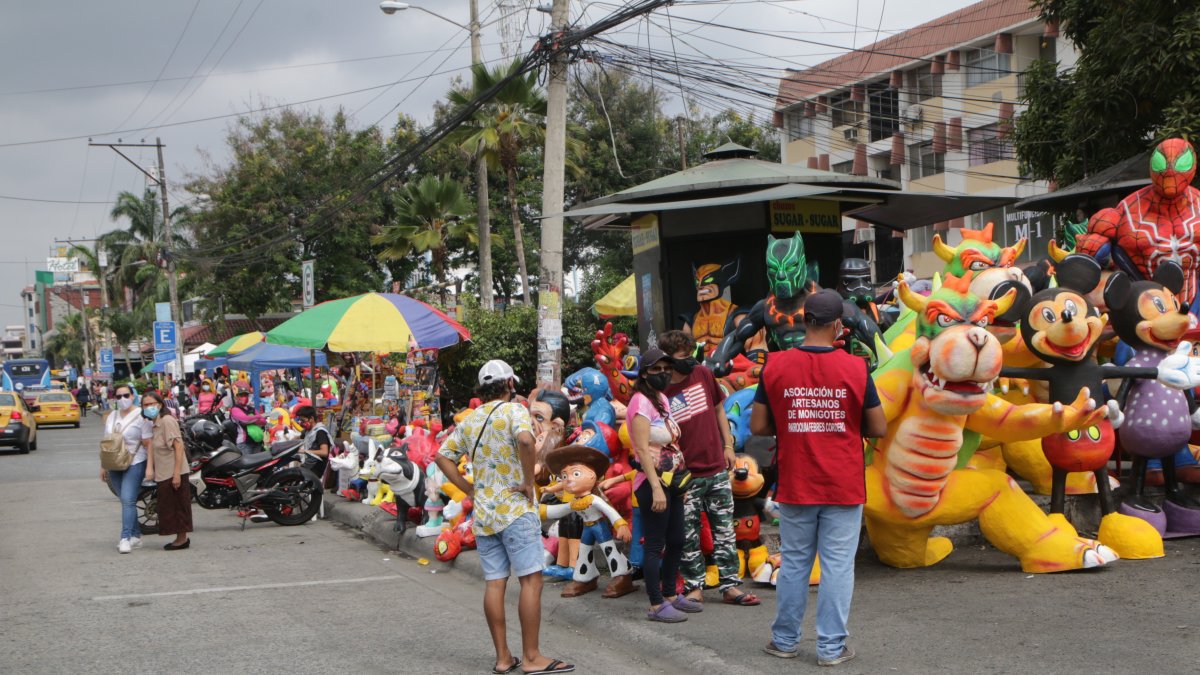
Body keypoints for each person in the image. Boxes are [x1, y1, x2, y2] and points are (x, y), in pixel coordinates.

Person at [751, 289, 887, 666]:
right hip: (843, 482)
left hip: (796, 482)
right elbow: (878, 427)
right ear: (839, 325)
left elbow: (758, 425)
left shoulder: (775, 365)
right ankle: (830, 648)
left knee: (794, 562)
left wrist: (794, 417)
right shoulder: (856, 368)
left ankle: (784, 641)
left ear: (803, 320)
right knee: (838, 566)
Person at [434, 360, 574, 675]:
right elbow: (526, 441)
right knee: (531, 580)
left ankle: (502, 658)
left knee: (495, 583)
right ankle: (532, 657)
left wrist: (468, 489)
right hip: (514, 509)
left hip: (484, 514)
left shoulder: (470, 421)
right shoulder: (514, 410)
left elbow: (442, 456)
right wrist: (527, 481)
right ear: (510, 384)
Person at [657, 329, 758, 607]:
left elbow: (719, 412)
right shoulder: (661, 389)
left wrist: (728, 446)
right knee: (688, 535)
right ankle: (694, 587)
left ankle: (731, 586)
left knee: (724, 530)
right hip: (684, 474)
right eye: (682, 356)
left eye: (691, 354)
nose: (689, 360)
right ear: (668, 359)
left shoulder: (702, 374)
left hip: (715, 466)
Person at [625, 348, 693, 622]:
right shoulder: (639, 402)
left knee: (677, 539)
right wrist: (655, 487)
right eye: (657, 369)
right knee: (655, 544)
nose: (664, 373)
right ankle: (655, 604)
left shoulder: (661, 399)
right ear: (644, 373)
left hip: (673, 480)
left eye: (666, 368)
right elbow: (641, 449)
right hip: (652, 482)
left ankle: (670, 594)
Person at [99, 384, 153, 554]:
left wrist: (150, 467)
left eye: (126, 395)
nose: (123, 399)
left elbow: (148, 444)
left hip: (135, 461)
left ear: (133, 395)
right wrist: (103, 466)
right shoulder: (111, 416)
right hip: (114, 463)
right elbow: (107, 441)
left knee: (129, 500)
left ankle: (125, 538)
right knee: (125, 500)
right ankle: (136, 535)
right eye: (119, 396)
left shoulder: (141, 416)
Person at [142, 391, 192, 550]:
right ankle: (179, 538)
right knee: (169, 507)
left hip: (173, 472)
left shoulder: (167, 421)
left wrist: (176, 474)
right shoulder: (156, 423)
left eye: (152, 404)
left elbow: (179, 447)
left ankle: (182, 539)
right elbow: (152, 446)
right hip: (163, 473)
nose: (149, 407)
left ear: (160, 404)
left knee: (178, 507)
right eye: (145, 405)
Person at [294, 405, 331, 479]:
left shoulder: (320, 432)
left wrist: (305, 451)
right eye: (300, 421)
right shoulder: (309, 430)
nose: (301, 423)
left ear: (311, 418)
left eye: (303, 421)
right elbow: (297, 438)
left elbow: (324, 452)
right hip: (309, 464)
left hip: (316, 468)